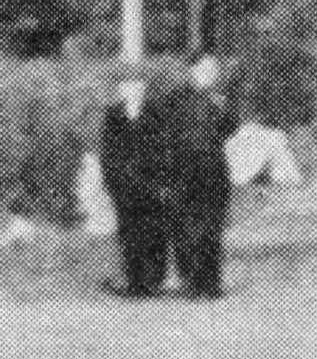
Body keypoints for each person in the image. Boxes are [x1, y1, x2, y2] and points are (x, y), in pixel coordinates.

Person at [158, 51, 242, 299]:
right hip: (182, 171)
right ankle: (192, 282)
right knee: (185, 227)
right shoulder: (174, 99)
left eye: (214, 69)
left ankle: (211, 283)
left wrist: (225, 105)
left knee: (212, 227)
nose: (212, 74)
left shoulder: (219, 99)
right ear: (193, 70)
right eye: (206, 69)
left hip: (214, 170)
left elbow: (230, 128)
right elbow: (164, 136)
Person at [95, 68, 175, 297]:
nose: (132, 90)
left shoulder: (155, 113)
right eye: (127, 86)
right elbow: (107, 153)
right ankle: (134, 282)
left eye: (137, 85)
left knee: (154, 233)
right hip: (124, 187)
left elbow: (164, 149)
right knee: (129, 234)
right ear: (120, 89)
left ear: (143, 88)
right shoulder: (113, 115)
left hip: (151, 184)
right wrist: (112, 183)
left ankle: (154, 281)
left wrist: (163, 182)